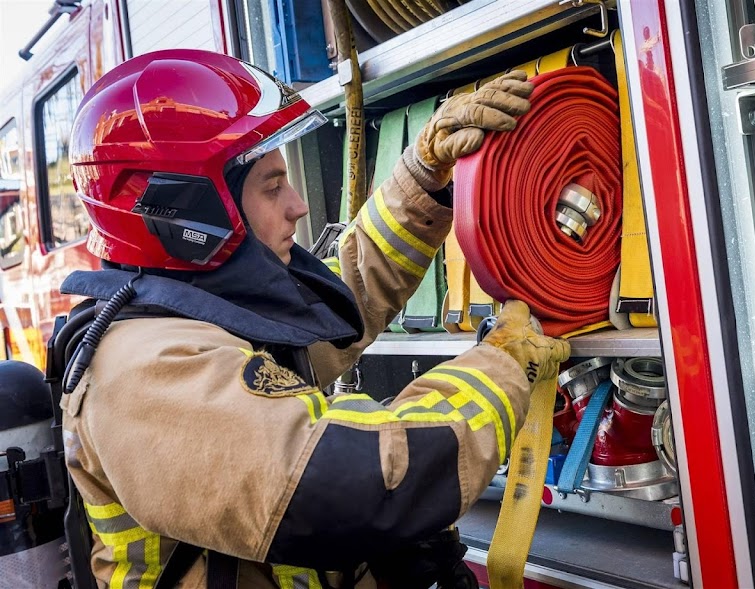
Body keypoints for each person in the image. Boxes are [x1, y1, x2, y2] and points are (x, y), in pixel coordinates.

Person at [58, 49, 570, 588]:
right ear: (191, 209)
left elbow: (328, 306)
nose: (298, 205)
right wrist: (502, 364)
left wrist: (422, 178)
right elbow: (368, 483)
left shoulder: (202, 310)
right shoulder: (146, 371)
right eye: (272, 186)